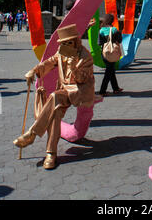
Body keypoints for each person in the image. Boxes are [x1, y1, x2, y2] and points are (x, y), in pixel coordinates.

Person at [13, 23, 97, 169]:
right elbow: (49, 63)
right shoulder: (62, 52)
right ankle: (51, 154)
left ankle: (32, 133)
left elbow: (83, 79)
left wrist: (73, 67)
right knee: (55, 112)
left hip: (79, 91)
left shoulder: (85, 56)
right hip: (64, 91)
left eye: (69, 42)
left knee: (54, 97)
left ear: (76, 41)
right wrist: (34, 71)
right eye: (63, 43)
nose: (66, 45)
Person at [98, 14, 123, 97]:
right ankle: (102, 91)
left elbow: (99, 43)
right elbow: (119, 41)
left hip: (104, 53)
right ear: (112, 21)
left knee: (111, 70)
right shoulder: (114, 29)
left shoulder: (101, 30)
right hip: (112, 53)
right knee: (108, 72)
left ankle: (116, 88)